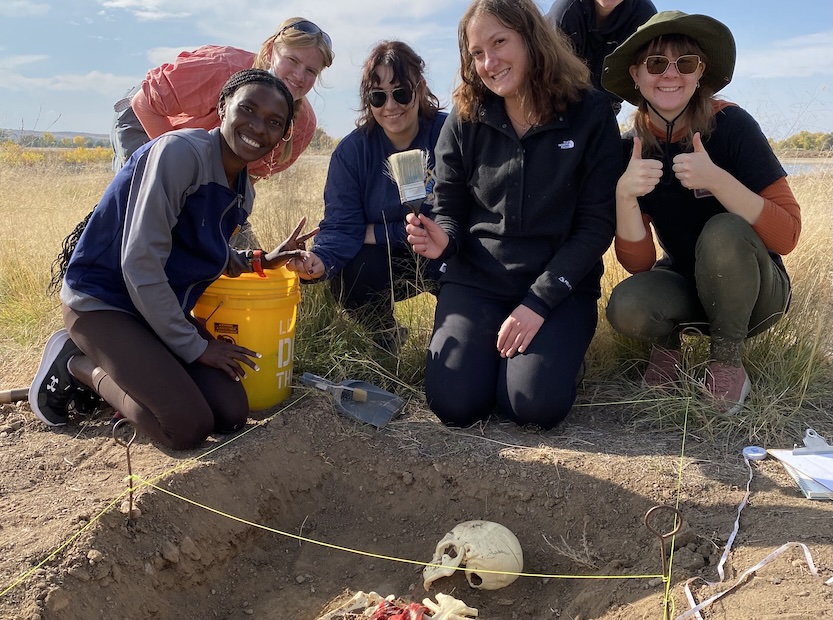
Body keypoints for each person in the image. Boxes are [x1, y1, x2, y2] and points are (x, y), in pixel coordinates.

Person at [30, 69, 316, 450]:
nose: (258, 126)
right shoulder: (181, 153)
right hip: (105, 304)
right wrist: (197, 348)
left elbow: (204, 252)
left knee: (231, 413)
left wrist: (263, 260)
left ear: (282, 136)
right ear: (222, 107)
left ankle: (130, 361)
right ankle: (77, 363)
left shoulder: (243, 193)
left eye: (274, 122)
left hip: (156, 312)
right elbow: (139, 261)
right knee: (185, 427)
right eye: (247, 109)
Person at [405, 0, 622, 429]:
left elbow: (597, 225)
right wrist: (443, 239)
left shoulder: (591, 113)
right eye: (477, 52)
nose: (489, 61)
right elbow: (448, 208)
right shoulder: (465, 118)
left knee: (531, 405)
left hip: (557, 288)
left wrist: (539, 301)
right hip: (477, 281)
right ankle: (498, 364)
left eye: (500, 42)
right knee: (454, 404)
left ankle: (551, 360)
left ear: (532, 38)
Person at [600, 11, 801, 414]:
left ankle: (727, 363)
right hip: (684, 283)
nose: (670, 75)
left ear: (700, 73)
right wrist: (624, 195)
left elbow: (788, 235)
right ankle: (668, 351)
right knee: (626, 304)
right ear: (636, 75)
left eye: (685, 63)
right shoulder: (629, 149)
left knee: (723, 229)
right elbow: (638, 265)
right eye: (656, 64)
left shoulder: (731, 125)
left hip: (757, 294)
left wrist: (717, 180)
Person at [286, 41, 448, 354]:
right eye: (377, 96)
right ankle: (387, 335)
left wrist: (374, 231)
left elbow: (460, 217)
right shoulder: (352, 152)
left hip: (449, 254)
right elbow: (341, 227)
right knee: (349, 271)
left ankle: (451, 338)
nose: (390, 105)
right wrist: (318, 261)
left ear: (421, 88)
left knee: (449, 365)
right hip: (389, 259)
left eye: (401, 92)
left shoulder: (450, 135)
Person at [111, 17, 334, 179]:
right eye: (292, 60)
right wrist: (187, 174)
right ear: (269, 51)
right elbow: (144, 103)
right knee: (149, 201)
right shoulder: (223, 67)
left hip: (198, 154)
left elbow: (245, 180)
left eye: (311, 71)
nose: (299, 76)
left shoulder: (301, 127)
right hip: (146, 117)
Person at [546, 0, 656, 113]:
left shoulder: (645, 17)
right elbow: (549, 80)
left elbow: (655, 77)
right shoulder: (564, 12)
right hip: (556, 100)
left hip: (607, 104)